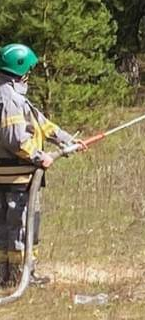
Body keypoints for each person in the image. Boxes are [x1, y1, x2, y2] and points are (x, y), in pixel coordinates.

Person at [0, 44, 84, 287]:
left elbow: (42, 124)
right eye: (29, 71)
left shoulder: (13, 96)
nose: (30, 76)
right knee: (20, 228)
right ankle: (18, 276)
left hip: (14, 178)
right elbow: (15, 139)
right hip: (16, 180)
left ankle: (9, 275)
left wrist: (67, 140)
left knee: (10, 228)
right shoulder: (10, 99)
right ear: (21, 70)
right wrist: (39, 157)